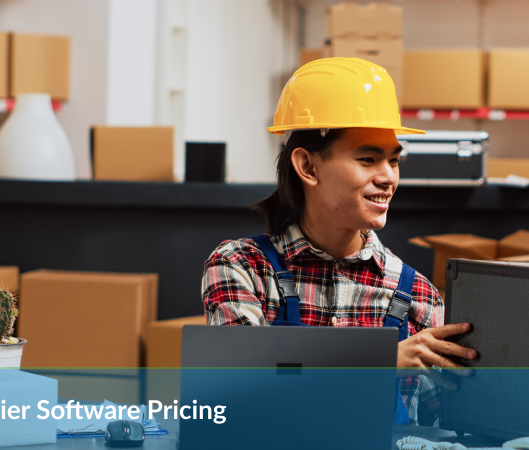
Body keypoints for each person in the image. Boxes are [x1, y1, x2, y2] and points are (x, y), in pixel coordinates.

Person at [200, 57, 476, 426]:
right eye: (367, 159)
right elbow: (236, 388)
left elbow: (453, 422)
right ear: (308, 167)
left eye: (393, 161)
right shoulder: (243, 267)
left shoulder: (416, 295)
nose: (388, 177)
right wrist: (379, 362)